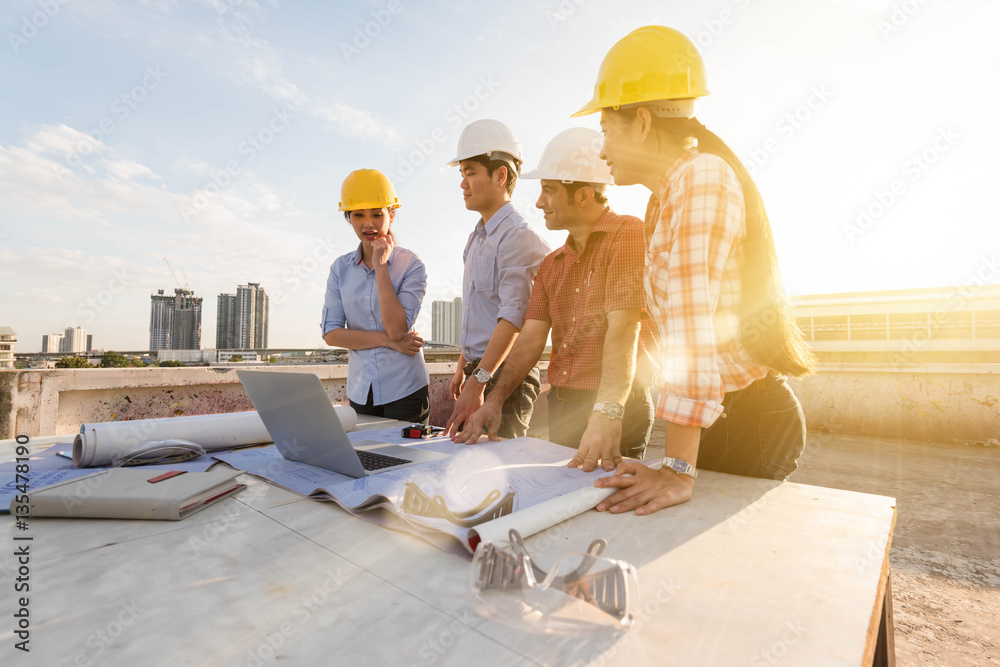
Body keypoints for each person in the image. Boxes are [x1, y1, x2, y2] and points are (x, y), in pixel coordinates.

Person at [571, 26, 816, 514]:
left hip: (750, 423)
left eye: (605, 131)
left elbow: (689, 328)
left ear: (641, 121)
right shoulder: (668, 195)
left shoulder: (701, 178)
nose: (601, 152)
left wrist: (677, 469)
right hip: (722, 420)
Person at [454, 128, 657, 467]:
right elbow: (530, 338)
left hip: (616, 406)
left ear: (583, 195)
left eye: (548, 190)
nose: (539, 202)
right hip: (565, 407)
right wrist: (494, 401)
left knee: (607, 506)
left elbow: (623, 328)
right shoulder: (551, 264)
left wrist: (607, 411)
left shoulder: (627, 233)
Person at [443, 119, 551, 439]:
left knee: (501, 478)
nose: (463, 183)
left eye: (471, 173)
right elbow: (480, 311)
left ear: (500, 175)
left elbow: (512, 318)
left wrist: (481, 379)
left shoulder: (518, 238)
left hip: (506, 377)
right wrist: (465, 367)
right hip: (480, 371)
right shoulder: (477, 239)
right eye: (462, 174)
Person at [321, 168, 430, 424]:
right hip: (361, 390)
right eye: (358, 215)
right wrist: (388, 342)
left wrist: (381, 266)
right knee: (366, 460)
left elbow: (397, 330)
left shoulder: (411, 265)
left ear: (391, 215)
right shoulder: (340, 269)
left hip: (405, 389)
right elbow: (331, 333)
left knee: (408, 462)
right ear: (349, 218)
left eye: (377, 214)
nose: (368, 223)